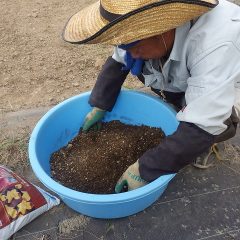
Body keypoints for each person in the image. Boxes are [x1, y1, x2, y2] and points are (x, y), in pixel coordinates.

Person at [63, 0, 240, 193]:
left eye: (134, 46)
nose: (129, 51)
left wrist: (146, 168)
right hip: (187, 75)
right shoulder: (136, 35)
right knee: (172, 95)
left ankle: (204, 143)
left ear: (163, 29)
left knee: (212, 122)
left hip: (228, 84)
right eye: (124, 43)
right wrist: (100, 104)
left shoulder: (215, 43)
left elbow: (204, 123)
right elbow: (118, 61)